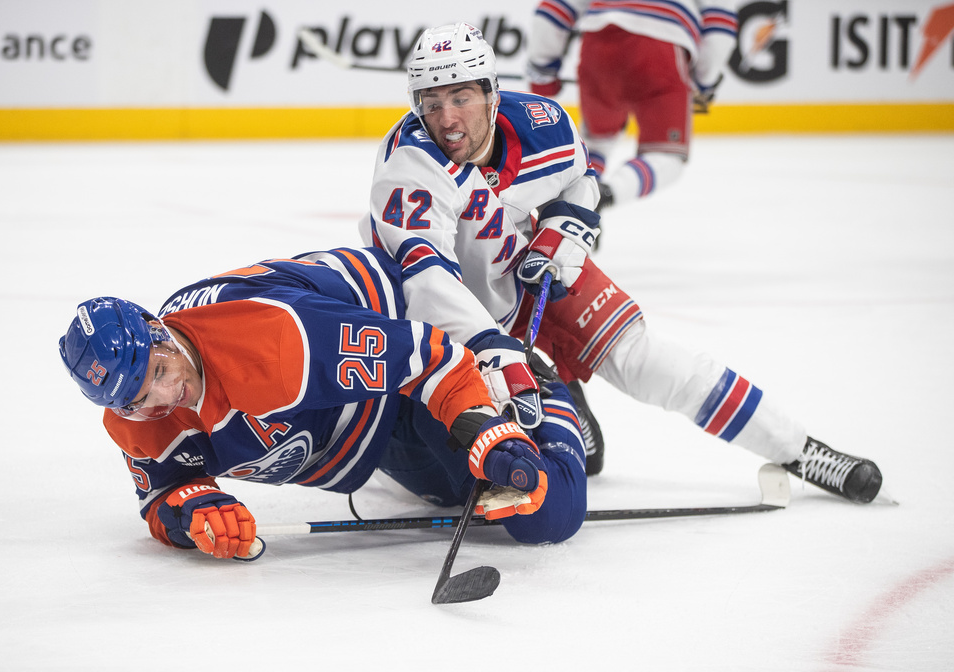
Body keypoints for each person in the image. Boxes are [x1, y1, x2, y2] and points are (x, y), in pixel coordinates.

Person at [356, 22, 883, 503]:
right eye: (431, 100)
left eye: (462, 97)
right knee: (500, 469)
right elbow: (428, 279)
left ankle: (801, 450)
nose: (447, 119)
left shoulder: (545, 124)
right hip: (438, 316)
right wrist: (498, 353)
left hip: (518, 274)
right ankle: (557, 383)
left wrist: (562, 235)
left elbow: (581, 182)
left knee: (647, 360)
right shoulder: (411, 162)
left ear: (493, 95)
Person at [58, 247, 589, 561]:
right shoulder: (135, 415)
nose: (165, 399)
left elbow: (431, 358)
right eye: (138, 403)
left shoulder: (278, 346)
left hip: (404, 341)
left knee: (542, 511)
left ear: (160, 333)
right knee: (458, 495)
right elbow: (163, 494)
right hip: (359, 426)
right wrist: (194, 510)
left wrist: (484, 430)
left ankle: (539, 384)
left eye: (161, 373)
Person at [525, 0, 739, 210]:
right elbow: (719, 20)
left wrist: (543, 67)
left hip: (598, 43)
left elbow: (554, 8)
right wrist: (704, 80)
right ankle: (605, 195)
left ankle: (576, 208)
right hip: (663, 44)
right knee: (667, 157)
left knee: (596, 142)